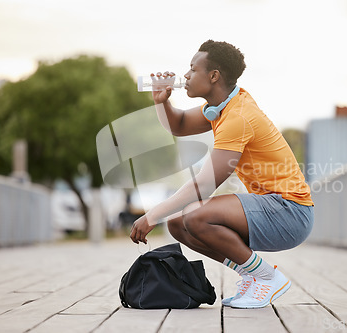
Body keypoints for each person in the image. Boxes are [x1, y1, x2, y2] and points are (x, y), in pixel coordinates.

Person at [130, 40, 314, 309]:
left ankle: (266, 276)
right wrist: (161, 102)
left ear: (213, 76)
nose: (186, 76)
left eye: (193, 69)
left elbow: (205, 185)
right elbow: (179, 125)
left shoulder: (238, 116)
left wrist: (151, 215)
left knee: (194, 214)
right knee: (178, 223)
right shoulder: (223, 107)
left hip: (290, 212)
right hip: (272, 207)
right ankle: (251, 275)